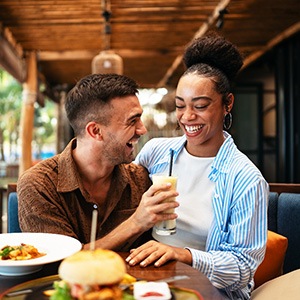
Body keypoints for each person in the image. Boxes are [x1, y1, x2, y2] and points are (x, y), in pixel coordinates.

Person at [126, 32, 269, 299]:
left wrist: (183, 255)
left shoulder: (246, 179)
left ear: (227, 103)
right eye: (180, 106)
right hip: (152, 278)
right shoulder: (156, 152)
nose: (188, 117)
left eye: (200, 106)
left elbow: (242, 268)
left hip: (212, 290)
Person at [17, 73, 179, 251]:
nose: (142, 129)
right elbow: (59, 259)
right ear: (95, 131)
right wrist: (135, 223)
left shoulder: (140, 179)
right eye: (133, 121)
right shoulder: (39, 185)